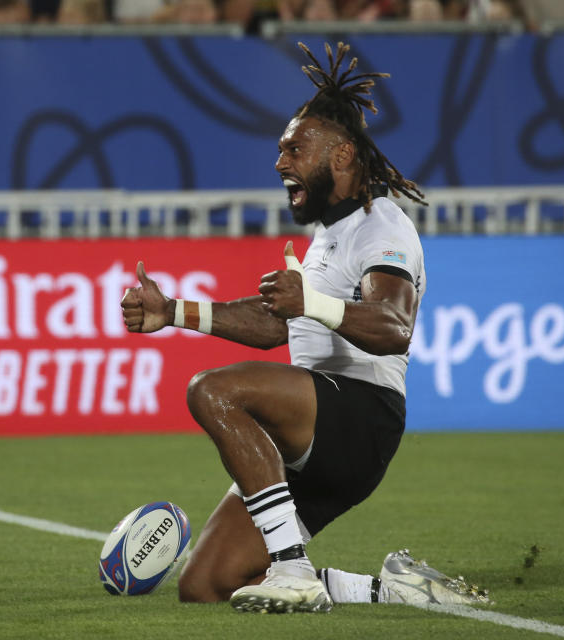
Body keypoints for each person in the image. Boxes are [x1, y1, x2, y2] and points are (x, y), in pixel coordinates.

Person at [121, 41, 489, 614]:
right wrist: (175, 313)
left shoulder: (379, 225)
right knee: (207, 586)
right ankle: (388, 588)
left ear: (341, 155)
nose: (280, 163)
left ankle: (291, 568)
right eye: (280, 150)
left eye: (295, 148)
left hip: (360, 417)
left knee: (212, 390)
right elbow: (275, 327)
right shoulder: (329, 234)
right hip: (313, 434)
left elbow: (394, 326)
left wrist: (313, 301)